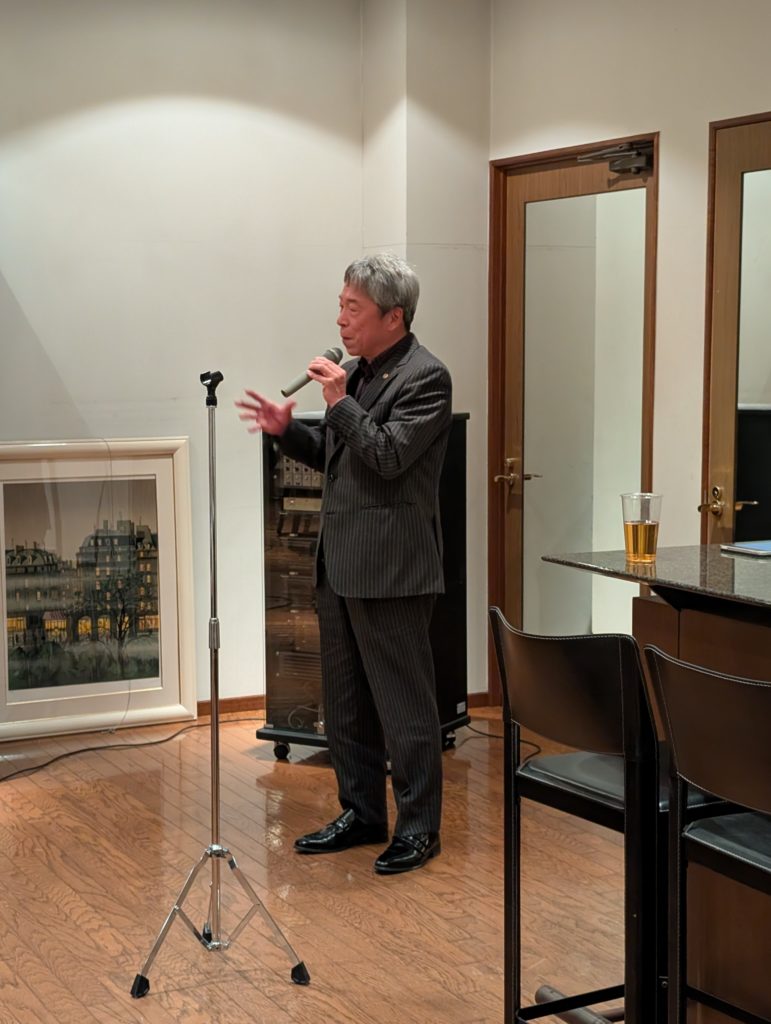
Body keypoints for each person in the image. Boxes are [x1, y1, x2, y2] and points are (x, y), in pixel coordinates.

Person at [236, 253, 452, 875]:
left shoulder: (426, 378)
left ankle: (419, 828)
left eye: (352, 309)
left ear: (394, 316)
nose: (340, 320)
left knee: (404, 709)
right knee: (346, 702)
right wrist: (287, 430)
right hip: (340, 564)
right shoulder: (357, 374)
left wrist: (336, 400)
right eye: (340, 306)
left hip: (393, 571)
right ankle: (361, 813)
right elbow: (341, 456)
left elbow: (387, 457)